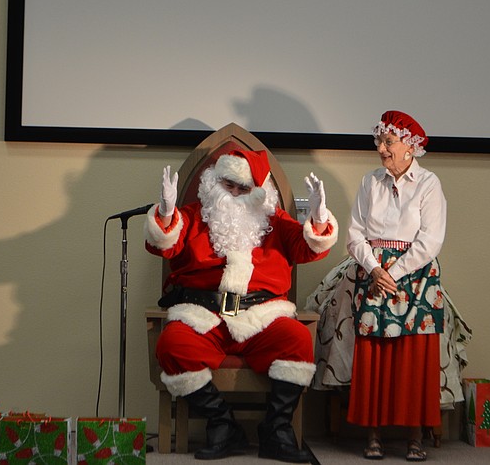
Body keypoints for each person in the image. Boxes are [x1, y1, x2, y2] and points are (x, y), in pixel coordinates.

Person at [145, 149, 338, 462]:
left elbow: (308, 249)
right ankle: (222, 424)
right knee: (172, 343)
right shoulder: (194, 215)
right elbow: (163, 245)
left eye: (242, 188)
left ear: (259, 191)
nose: (233, 194)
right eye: (227, 185)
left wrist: (317, 218)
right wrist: (166, 214)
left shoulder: (275, 221)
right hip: (203, 316)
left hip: (261, 317)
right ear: (214, 182)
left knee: (298, 339)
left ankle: (276, 431)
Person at [327, 111, 446, 462]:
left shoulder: (429, 184)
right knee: (374, 354)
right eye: (379, 141)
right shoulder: (370, 182)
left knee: (413, 354)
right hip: (375, 274)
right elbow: (355, 234)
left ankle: (414, 436)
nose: (381, 148)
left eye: (388, 142)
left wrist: (397, 271)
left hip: (417, 276)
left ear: (410, 147)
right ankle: (373, 434)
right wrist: (376, 270)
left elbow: (431, 239)